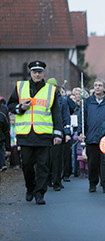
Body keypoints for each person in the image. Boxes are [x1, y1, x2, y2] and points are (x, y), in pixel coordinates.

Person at [7, 60, 63, 205]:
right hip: (25, 135)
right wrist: (21, 108)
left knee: (43, 165)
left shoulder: (51, 91)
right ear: (30, 73)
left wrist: (58, 134)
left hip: (44, 134)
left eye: (39, 72)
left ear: (43, 73)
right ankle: (30, 188)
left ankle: (40, 194)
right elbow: (11, 105)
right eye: (34, 72)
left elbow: (56, 113)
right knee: (26, 164)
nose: (37, 74)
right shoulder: (20, 87)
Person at [78, 78, 105, 193]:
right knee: (92, 162)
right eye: (95, 85)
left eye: (100, 85)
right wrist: (80, 132)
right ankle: (92, 183)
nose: (97, 87)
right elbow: (81, 118)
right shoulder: (87, 102)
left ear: (104, 88)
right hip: (91, 137)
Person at [46, 78, 71, 191]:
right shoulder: (44, 100)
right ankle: (46, 181)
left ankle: (56, 181)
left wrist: (67, 133)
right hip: (45, 133)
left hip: (58, 133)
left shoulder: (63, 101)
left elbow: (66, 118)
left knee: (57, 159)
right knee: (46, 159)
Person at [0, 106, 10, 172]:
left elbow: (6, 131)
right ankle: (2, 164)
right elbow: (6, 131)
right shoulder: (2, 116)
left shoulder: (2, 116)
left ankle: (2, 164)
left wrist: (8, 148)